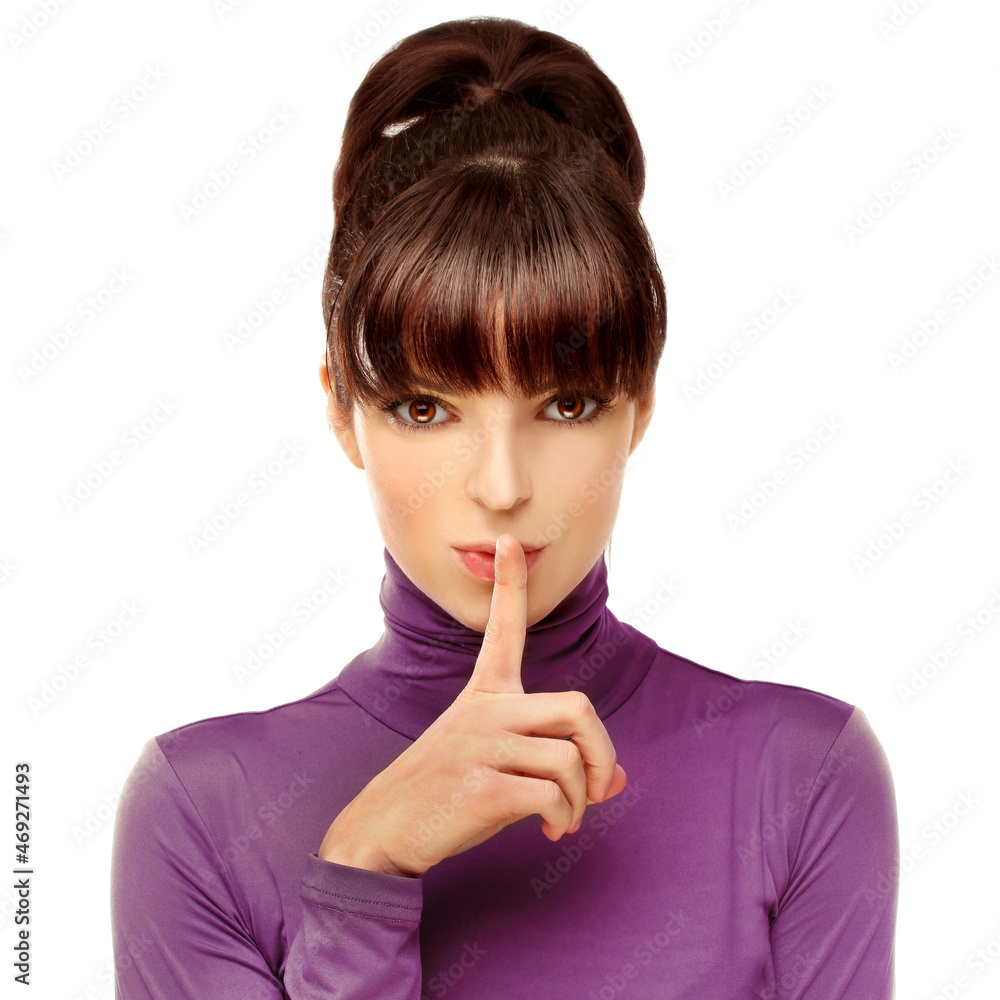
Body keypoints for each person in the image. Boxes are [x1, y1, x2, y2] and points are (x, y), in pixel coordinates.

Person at [110, 16, 899, 999]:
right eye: (425, 407)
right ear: (343, 413)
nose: (500, 485)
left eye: (565, 404)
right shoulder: (198, 814)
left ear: (639, 405)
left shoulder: (803, 780)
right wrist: (364, 868)